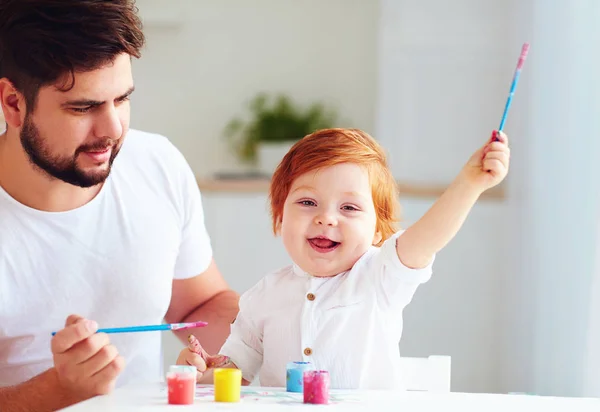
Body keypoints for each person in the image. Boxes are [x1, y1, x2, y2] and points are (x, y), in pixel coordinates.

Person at [0, 1, 239, 410]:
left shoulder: (156, 163)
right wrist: (62, 389)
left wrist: (275, 327)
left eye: (122, 99)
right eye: (82, 107)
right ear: (14, 103)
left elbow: (199, 305)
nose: (112, 130)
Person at [178, 127, 510, 389]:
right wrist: (198, 369)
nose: (326, 218)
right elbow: (234, 371)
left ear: (379, 232)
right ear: (280, 217)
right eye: (308, 203)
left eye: (349, 208)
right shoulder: (263, 296)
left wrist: (469, 184)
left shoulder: (380, 278)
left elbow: (424, 241)